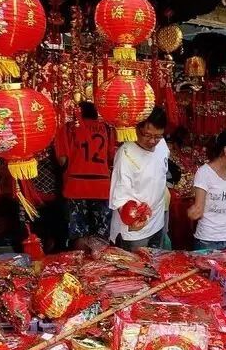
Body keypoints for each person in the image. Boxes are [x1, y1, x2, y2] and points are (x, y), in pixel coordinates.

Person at [109, 107, 170, 251]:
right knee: (135, 264)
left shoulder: (162, 145)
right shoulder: (126, 154)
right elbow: (119, 197)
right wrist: (132, 221)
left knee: (156, 262)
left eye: (158, 136)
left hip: (157, 222)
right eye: (147, 135)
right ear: (136, 128)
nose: (153, 141)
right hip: (135, 232)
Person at [56, 102, 115, 249]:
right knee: (101, 235)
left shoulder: (68, 128)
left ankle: (79, 261)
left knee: (79, 232)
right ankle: (99, 262)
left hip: (76, 186)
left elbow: (62, 159)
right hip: (102, 187)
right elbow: (111, 157)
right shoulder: (107, 129)